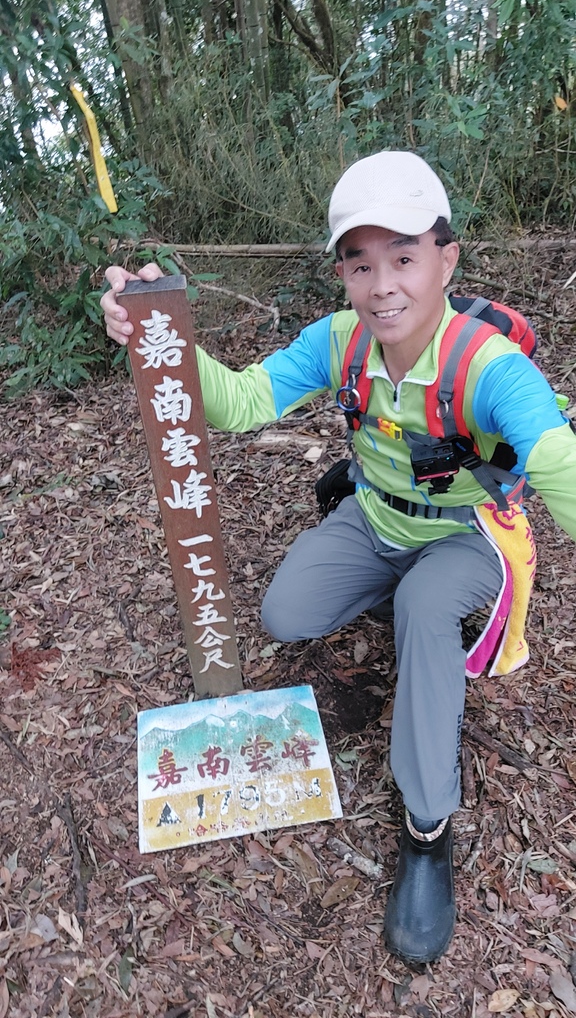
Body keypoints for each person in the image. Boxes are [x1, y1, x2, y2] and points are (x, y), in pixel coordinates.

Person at [101, 150, 576, 965]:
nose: (383, 283)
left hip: (468, 534)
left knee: (426, 610)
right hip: (376, 516)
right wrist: (161, 339)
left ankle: (428, 833)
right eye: (361, 263)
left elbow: (556, 458)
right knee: (285, 613)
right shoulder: (341, 341)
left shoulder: (488, 366)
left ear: (446, 258)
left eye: (403, 257)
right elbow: (244, 402)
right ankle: (400, 585)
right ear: (343, 274)